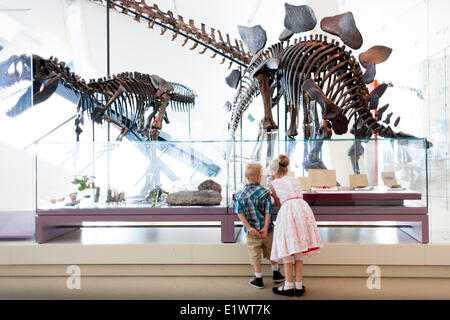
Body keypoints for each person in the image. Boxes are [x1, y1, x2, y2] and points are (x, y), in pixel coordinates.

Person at [269, 155, 323, 297]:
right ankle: (298, 286)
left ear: (273, 171)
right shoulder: (295, 180)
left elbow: (277, 203)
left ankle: (288, 285)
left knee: (287, 247)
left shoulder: (273, 183)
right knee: (298, 248)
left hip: (288, 211)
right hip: (302, 210)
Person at [233, 163, 285, 289]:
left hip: (252, 232)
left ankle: (258, 278)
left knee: (255, 254)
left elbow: (239, 212)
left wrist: (250, 228)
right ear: (259, 177)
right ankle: (276, 273)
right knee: (272, 251)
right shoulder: (265, 193)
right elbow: (268, 211)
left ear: (245, 177)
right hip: (267, 231)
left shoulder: (239, 194)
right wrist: (265, 228)